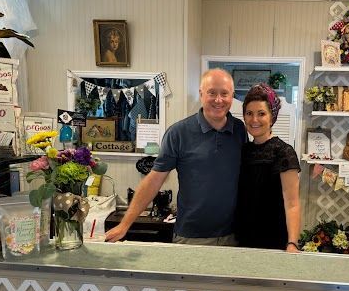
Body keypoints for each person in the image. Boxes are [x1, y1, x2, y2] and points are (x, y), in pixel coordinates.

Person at [105, 68, 247, 244]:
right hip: (191, 237)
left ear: (232, 96)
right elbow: (154, 180)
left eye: (224, 93)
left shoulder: (239, 130)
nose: (218, 100)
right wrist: (124, 224)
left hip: (233, 235)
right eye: (212, 93)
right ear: (201, 94)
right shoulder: (178, 133)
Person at [235, 83, 301, 253]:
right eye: (249, 113)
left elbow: (292, 203)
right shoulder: (243, 150)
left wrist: (292, 243)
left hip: (273, 239)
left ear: (272, 117)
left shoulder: (284, 152)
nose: (254, 120)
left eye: (261, 113)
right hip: (241, 238)